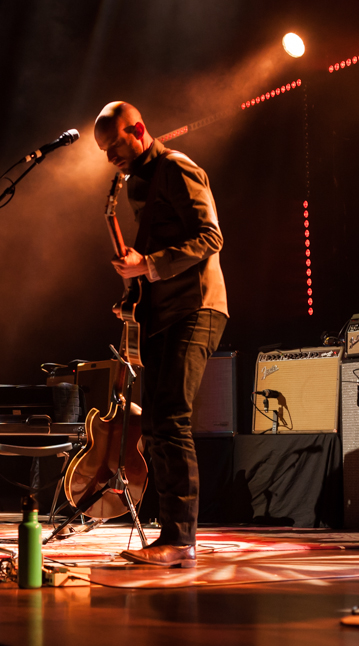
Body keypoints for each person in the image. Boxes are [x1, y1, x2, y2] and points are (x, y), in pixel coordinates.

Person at [94, 101, 229, 567]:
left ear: (139, 129)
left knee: (170, 418)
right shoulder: (137, 184)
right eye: (104, 152)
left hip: (196, 306)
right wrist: (133, 292)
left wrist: (147, 265)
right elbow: (153, 255)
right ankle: (172, 535)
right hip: (165, 311)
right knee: (153, 426)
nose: (111, 157)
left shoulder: (177, 167)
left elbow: (210, 237)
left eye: (115, 145)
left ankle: (181, 539)